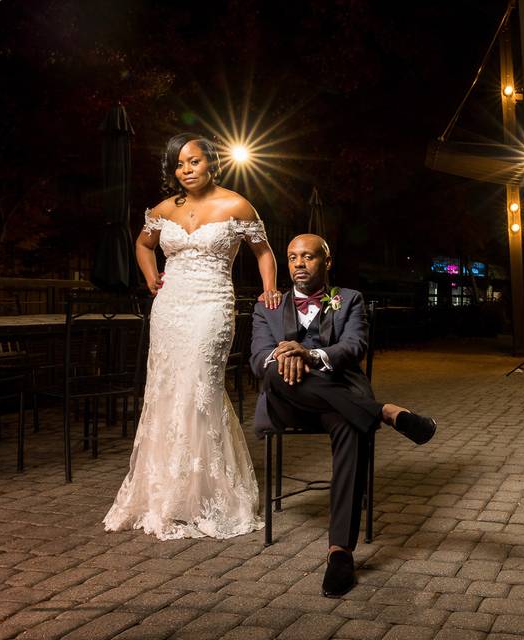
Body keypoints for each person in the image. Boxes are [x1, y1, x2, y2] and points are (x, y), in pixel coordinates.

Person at [104, 133, 282, 540]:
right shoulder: (164, 209)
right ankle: (168, 491)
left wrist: (269, 287)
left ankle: (208, 492)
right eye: (179, 165)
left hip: (211, 305)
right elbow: (143, 244)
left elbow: (263, 250)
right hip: (170, 308)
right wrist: (151, 278)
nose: (186, 170)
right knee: (167, 389)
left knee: (202, 386)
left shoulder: (236, 204)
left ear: (211, 162)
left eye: (194, 161)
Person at [250, 233, 436, 597]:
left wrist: (310, 354)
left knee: (352, 427)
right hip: (288, 401)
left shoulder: (348, 299)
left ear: (327, 262)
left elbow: (354, 347)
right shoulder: (267, 306)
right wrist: (284, 356)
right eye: (291, 258)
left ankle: (340, 553)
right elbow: (259, 358)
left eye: (307, 257)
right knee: (274, 370)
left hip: (337, 401)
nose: (298, 264)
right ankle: (384, 412)